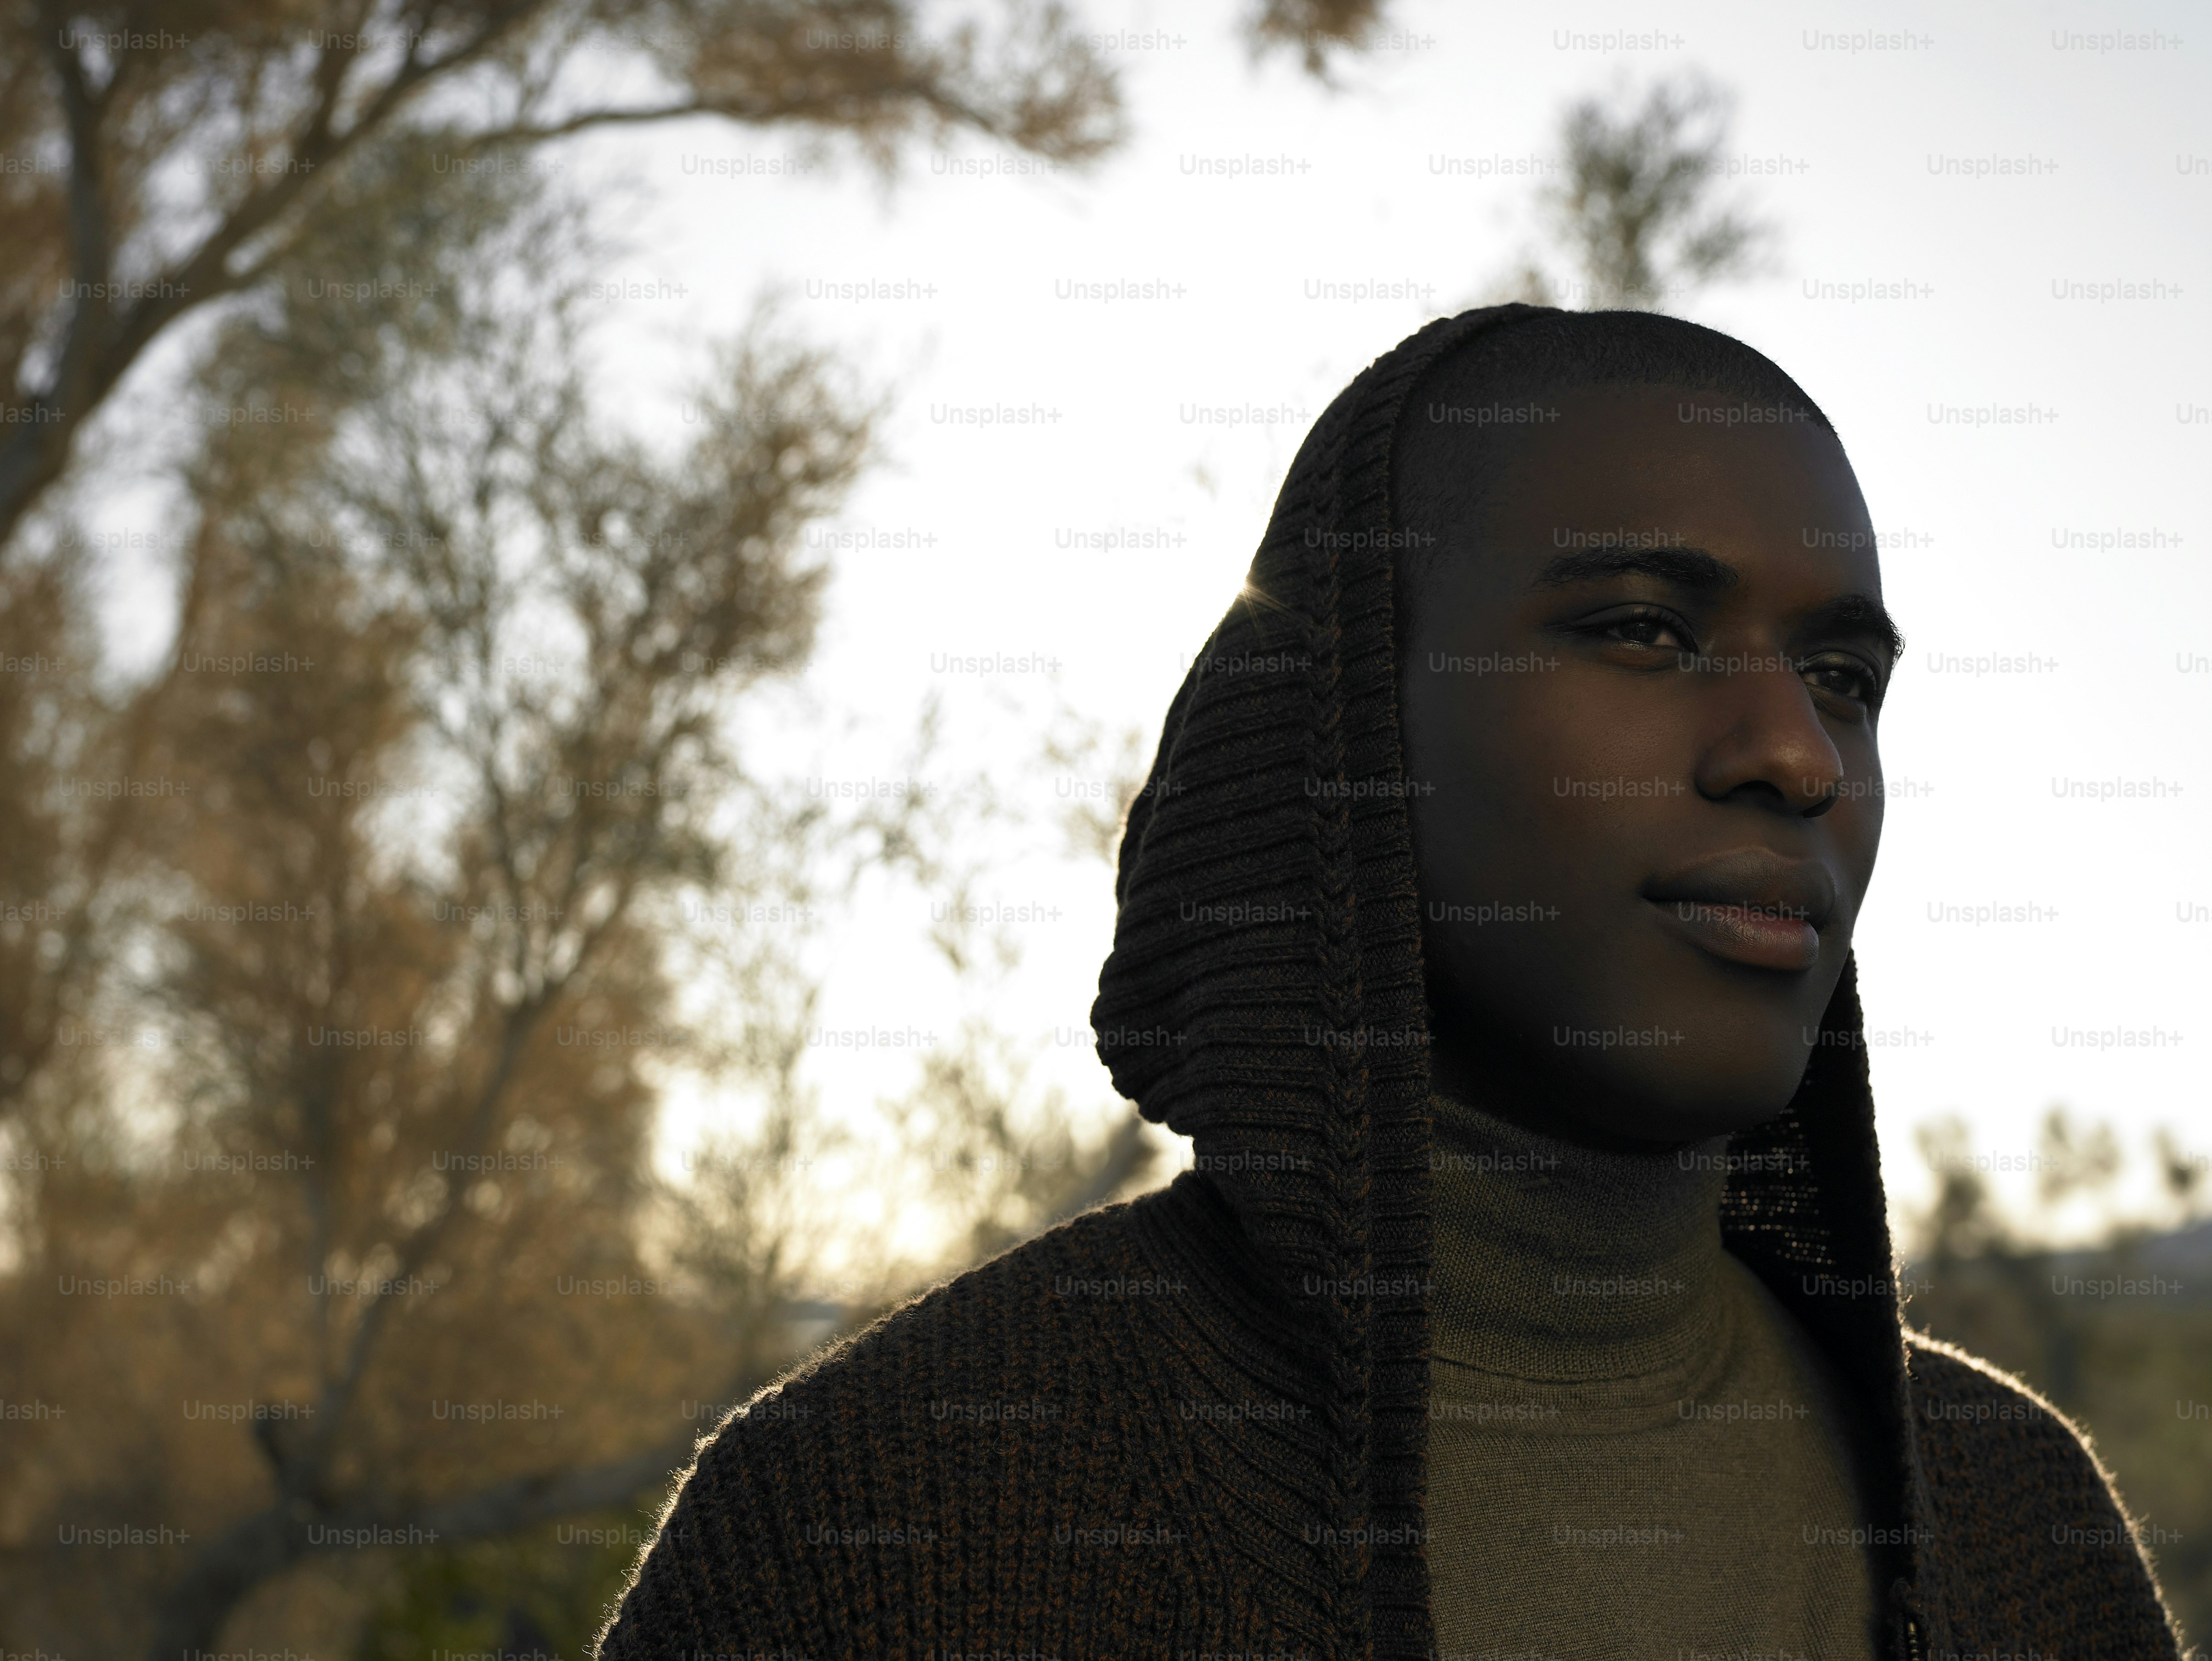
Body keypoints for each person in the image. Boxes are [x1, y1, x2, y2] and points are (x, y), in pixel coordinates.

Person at [596, 306, 2180, 1661]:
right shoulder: (886, 1524)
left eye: (1844, 679)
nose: (1795, 752)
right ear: (1341, 719)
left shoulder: (2019, 1523)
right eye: (1643, 628)